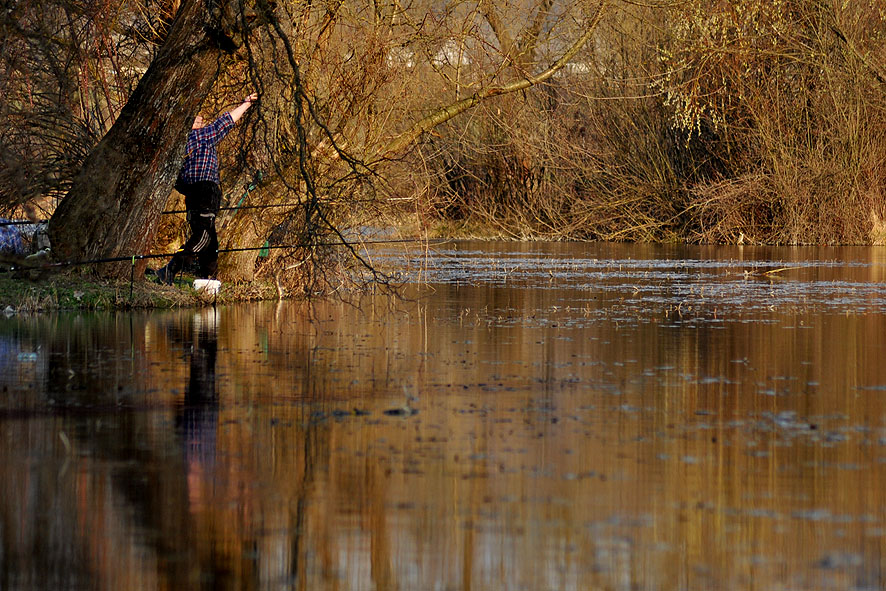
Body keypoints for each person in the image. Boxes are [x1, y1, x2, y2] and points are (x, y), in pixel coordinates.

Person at [155, 93, 258, 285]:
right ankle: (170, 269)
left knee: (210, 240)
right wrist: (246, 104)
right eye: (195, 117)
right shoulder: (200, 136)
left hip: (193, 195)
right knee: (203, 236)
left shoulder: (176, 147)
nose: (201, 118)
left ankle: (208, 279)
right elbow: (225, 122)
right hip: (205, 191)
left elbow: (177, 181)